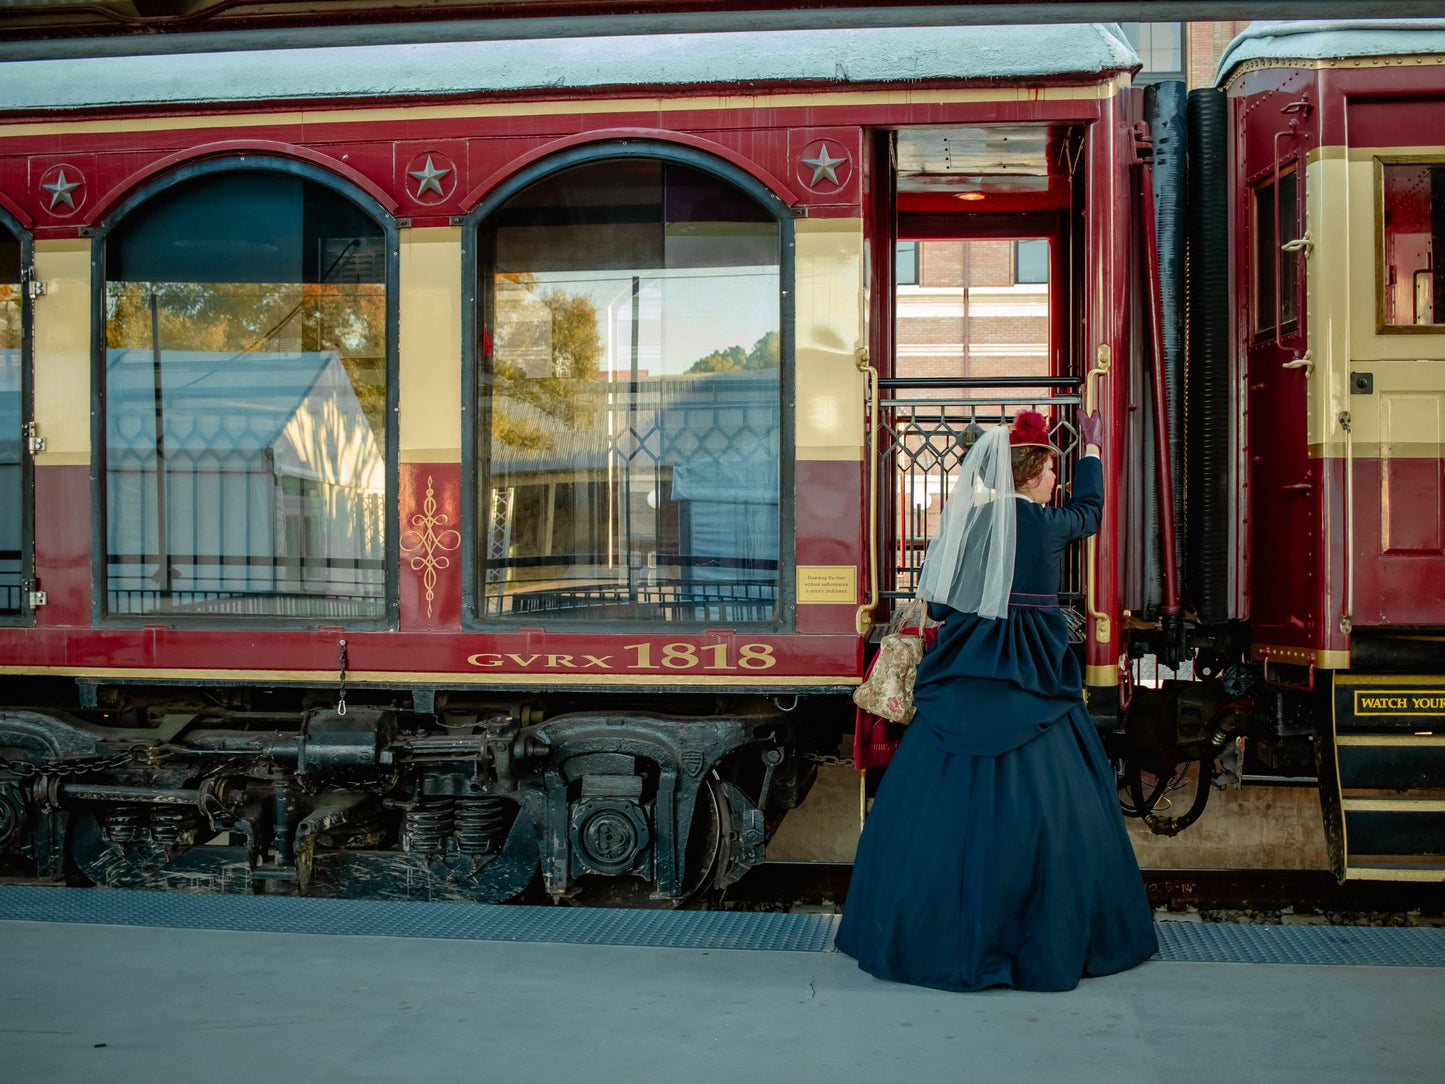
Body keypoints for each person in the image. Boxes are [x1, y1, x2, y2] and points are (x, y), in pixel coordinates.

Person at [835, 409, 1157, 992]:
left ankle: (930, 933)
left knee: (932, 804)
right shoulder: (1047, 522)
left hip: (968, 660)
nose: (1056, 482)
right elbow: (1090, 513)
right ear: (1035, 472)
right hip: (1030, 669)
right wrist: (1092, 455)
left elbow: (942, 605)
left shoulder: (970, 521)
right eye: (1052, 472)